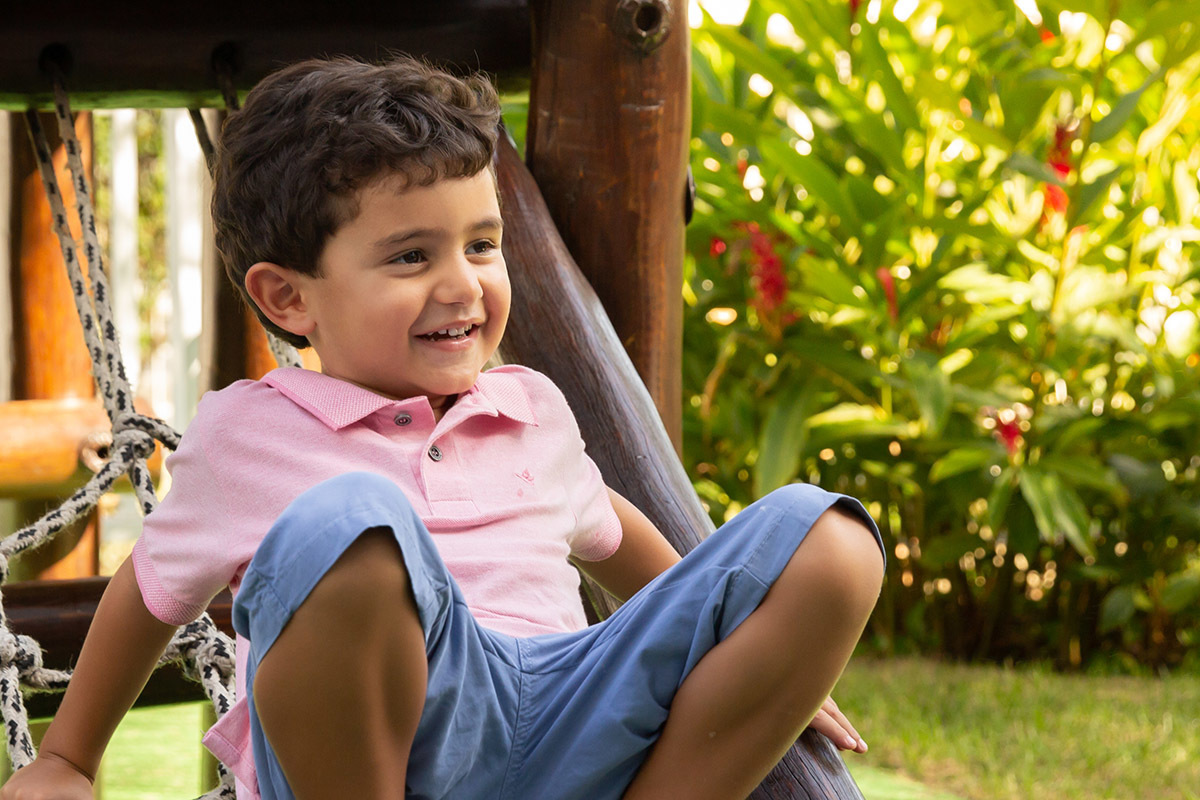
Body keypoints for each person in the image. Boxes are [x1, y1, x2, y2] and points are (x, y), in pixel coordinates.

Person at [1, 55, 886, 800]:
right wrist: (68, 759)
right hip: (390, 737)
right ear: (288, 297)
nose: (463, 284)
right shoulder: (248, 434)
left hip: (564, 705)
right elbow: (149, 593)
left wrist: (743, 632)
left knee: (832, 540)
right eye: (411, 256)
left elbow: (620, 541)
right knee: (350, 522)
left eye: (482, 244)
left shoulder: (530, 405)